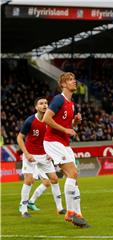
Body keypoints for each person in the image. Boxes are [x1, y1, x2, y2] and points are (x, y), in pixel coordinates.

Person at [43, 72, 89, 228]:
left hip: (64, 143)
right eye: (70, 80)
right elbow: (46, 119)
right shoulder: (58, 99)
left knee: (74, 177)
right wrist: (66, 129)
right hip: (53, 142)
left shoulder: (71, 104)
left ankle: (78, 214)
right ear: (63, 84)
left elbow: (69, 128)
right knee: (73, 173)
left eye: (74, 79)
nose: (74, 81)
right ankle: (70, 212)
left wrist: (75, 123)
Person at [17, 97, 65, 218]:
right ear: (36, 107)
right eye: (41, 103)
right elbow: (19, 138)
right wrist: (27, 154)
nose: (44, 105)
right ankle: (23, 209)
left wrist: (52, 152)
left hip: (45, 156)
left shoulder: (50, 121)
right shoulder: (30, 121)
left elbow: (53, 138)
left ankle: (60, 208)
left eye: (46, 103)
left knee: (54, 179)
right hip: (31, 155)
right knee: (29, 180)